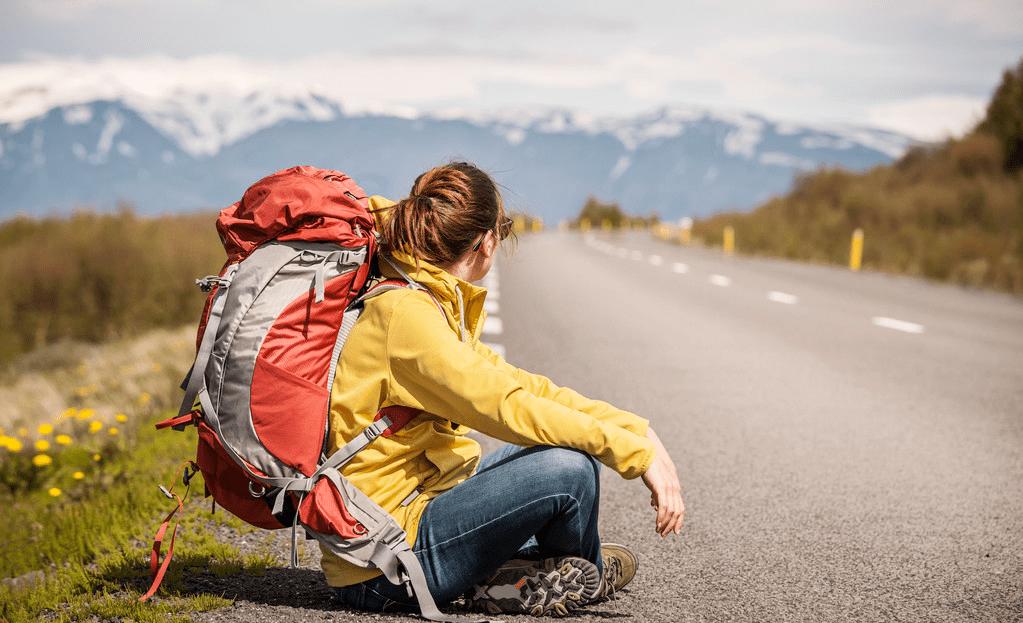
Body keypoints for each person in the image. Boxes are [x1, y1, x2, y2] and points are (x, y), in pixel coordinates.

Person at [325, 161, 685, 617]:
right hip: (385, 561)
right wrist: (633, 457)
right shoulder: (406, 316)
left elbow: (520, 384)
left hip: (421, 509)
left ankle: (533, 573)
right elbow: (505, 406)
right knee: (569, 471)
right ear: (486, 241)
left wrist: (635, 431)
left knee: (573, 458)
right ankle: (568, 573)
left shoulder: (423, 296)